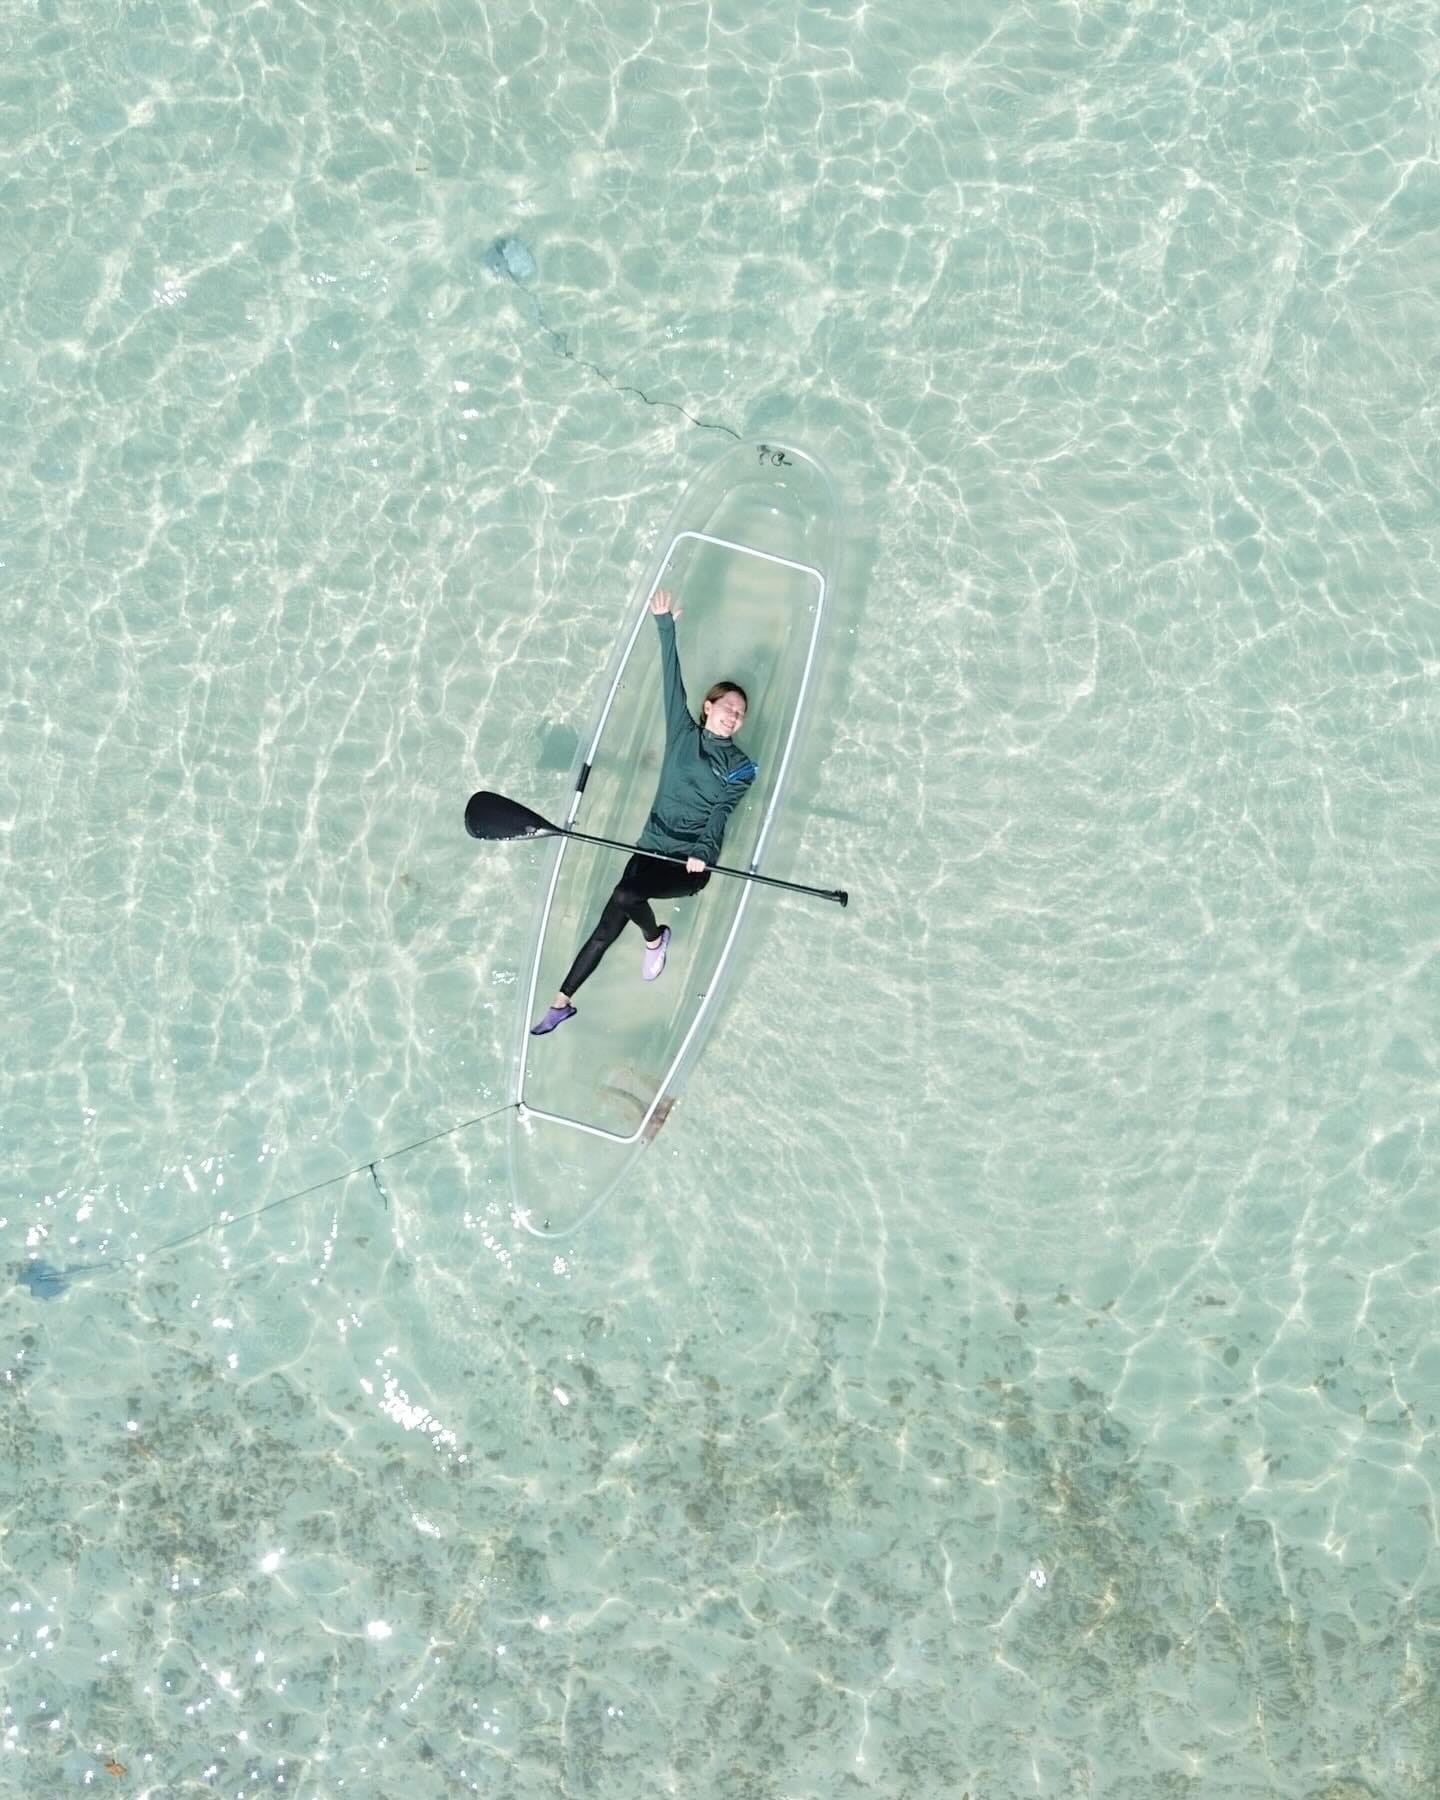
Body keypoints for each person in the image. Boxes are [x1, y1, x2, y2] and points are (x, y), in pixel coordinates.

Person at [531, 587, 756, 1035]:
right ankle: (561, 1002)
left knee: (624, 896)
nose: (734, 716)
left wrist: (704, 853)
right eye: (728, 706)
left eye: (741, 713)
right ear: (709, 707)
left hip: (689, 864)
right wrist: (664, 625)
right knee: (606, 924)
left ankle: (656, 939)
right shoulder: (681, 733)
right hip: (650, 849)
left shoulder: (742, 766)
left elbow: (720, 815)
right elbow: (672, 680)